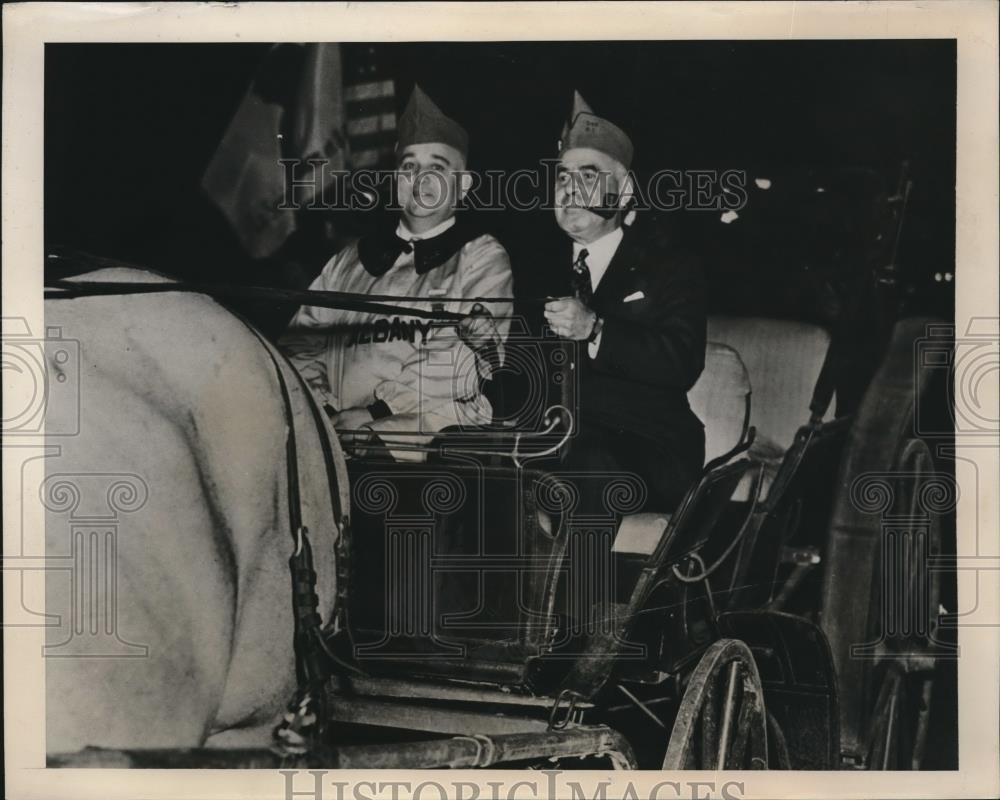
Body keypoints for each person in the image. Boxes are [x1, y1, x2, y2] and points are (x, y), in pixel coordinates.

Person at [282, 85, 513, 459]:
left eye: (436, 167)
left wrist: (377, 412)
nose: (420, 179)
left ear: (463, 185)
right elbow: (301, 343)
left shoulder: (480, 256)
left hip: (429, 429)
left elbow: (456, 360)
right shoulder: (348, 260)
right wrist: (324, 413)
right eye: (409, 166)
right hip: (333, 429)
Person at [542, 91, 707, 515]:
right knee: (460, 453)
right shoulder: (534, 272)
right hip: (551, 445)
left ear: (626, 191)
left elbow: (681, 360)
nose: (570, 188)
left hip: (649, 449)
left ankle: (583, 586)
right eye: (562, 176)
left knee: (589, 463)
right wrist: (487, 349)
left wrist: (596, 330)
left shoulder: (669, 266)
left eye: (589, 174)